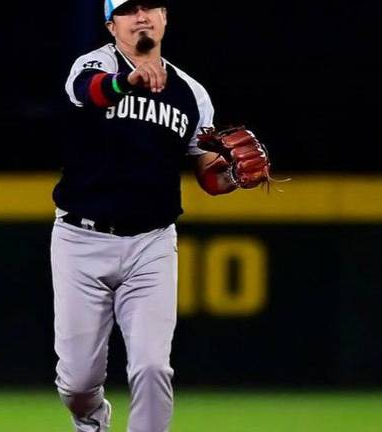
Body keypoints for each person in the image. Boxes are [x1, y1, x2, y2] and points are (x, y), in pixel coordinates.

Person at [51, 1, 263, 430]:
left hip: (151, 244)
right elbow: (90, 92)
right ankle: (92, 421)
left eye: (150, 7)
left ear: (165, 17)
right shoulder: (94, 65)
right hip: (80, 240)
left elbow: (208, 173)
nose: (141, 17)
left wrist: (233, 176)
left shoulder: (191, 93)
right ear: (111, 25)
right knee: (77, 384)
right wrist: (127, 80)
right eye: (129, 10)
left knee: (152, 368)